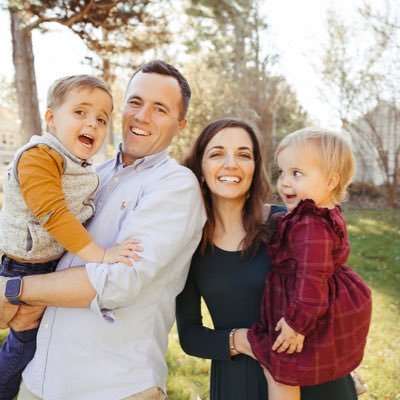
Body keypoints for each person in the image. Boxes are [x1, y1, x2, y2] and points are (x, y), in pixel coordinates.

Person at [0, 60, 206, 400]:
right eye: (136, 102)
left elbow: (117, 282)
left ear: (180, 124)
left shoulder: (175, 185)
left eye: (160, 109)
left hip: (111, 386)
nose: (142, 116)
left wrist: (13, 288)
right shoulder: (96, 173)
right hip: (40, 378)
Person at [176, 119, 360, 400]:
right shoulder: (188, 244)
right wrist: (245, 341)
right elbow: (190, 336)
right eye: (216, 153)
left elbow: (331, 289)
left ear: (255, 168)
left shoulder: (291, 223)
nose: (231, 163)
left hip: (314, 378)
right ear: (200, 168)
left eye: (243, 154)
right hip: (240, 382)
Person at [0, 74, 142, 400]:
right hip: (25, 266)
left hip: (48, 264)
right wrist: (102, 254)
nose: (92, 123)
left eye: (101, 119)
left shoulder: (80, 166)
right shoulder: (39, 156)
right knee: (23, 342)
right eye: (80, 112)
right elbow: (54, 215)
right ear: (51, 118)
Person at [247, 128, 372, 400]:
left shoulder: (310, 224)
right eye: (282, 173)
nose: (285, 183)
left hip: (305, 307)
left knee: (281, 366)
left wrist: (296, 323)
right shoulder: (315, 214)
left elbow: (311, 279)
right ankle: (343, 372)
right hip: (316, 303)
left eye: (297, 174)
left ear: (330, 181)